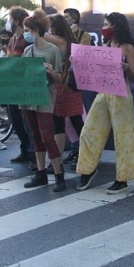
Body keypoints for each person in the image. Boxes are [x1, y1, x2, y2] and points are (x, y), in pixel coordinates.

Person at [75, 12, 134, 194]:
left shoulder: (127, 48)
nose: (104, 28)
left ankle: (123, 178)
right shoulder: (104, 45)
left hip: (121, 93)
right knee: (89, 130)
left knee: (123, 135)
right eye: (103, 24)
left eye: (107, 24)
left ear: (116, 26)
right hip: (104, 92)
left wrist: (127, 69)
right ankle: (88, 169)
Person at [19, 16, 66, 191]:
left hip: (45, 97)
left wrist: (51, 71)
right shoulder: (27, 50)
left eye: (27, 30)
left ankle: (58, 174)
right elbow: (21, 73)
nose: (25, 34)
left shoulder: (52, 50)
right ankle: (41, 173)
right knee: (36, 136)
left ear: (36, 30)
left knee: (47, 136)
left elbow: (60, 78)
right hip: (29, 97)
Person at [46, 14, 85, 168]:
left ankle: (57, 161)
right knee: (77, 122)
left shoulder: (57, 41)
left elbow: (40, 35)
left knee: (59, 125)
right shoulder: (71, 41)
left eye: (50, 25)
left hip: (61, 86)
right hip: (73, 86)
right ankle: (87, 156)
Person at [6, 7, 35, 165]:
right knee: (16, 121)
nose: (9, 22)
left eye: (10, 19)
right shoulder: (12, 39)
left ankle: (32, 154)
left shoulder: (26, 39)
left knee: (27, 121)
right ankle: (24, 150)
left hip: (24, 85)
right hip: (12, 85)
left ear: (16, 21)